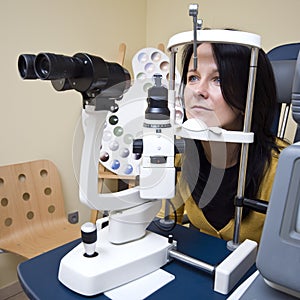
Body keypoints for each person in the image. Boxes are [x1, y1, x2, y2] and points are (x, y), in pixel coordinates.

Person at [171, 39, 288, 243]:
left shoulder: (283, 171)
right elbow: (165, 224)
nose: (198, 90)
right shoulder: (182, 157)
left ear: (248, 96)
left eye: (218, 80)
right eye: (193, 77)